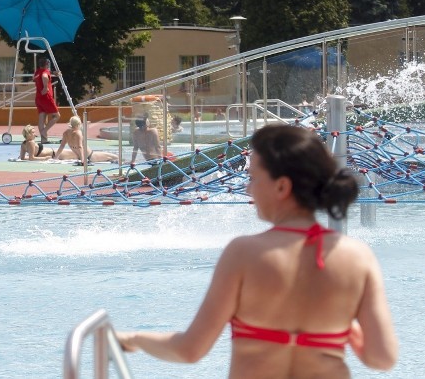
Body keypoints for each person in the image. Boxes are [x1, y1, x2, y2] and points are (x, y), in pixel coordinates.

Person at [116, 125, 397, 377]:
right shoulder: (358, 257)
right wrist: (346, 329)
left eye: (253, 178)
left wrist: (133, 339)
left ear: (282, 186)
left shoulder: (244, 254)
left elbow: (190, 350)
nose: (249, 189)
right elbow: (382, 358)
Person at [54, 116, 120, 164]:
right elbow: (80, 146)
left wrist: (56, 157)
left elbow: (61, 146)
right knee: (114, 156)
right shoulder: (78, 132)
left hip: (81, 157)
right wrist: (83, 160)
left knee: (110, 158)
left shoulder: (66, 133)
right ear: (78, 124)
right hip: (90, 156)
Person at [33, 58, 60, 143]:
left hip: (38, 98)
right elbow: (44, 75)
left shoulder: (37, 72)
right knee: (57, 116)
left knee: (42, 117)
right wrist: (45, 87)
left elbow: (34, 78)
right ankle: (44, 131)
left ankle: (43, 139)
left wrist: (52, 73)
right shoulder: (45, 72)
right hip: (46, 98)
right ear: (47, 64)